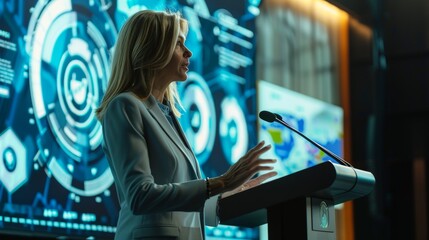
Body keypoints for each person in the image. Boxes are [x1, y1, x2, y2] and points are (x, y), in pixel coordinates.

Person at [96, 10, 277, 240]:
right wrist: (219, 182)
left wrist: (227, 195)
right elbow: (140, 197)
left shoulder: (169, 115)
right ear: (152, 49)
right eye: (178, 44)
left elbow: (178, 205)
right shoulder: (125, 106)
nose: (188, 52)